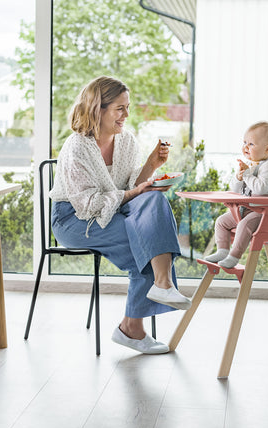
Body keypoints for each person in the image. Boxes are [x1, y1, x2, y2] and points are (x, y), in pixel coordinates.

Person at [49, 76, 191, 355]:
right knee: (147, 241)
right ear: (97, 109)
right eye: (120, 109)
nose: (127, 115)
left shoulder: (126, 141)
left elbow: (130, 189)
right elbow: (87, 204)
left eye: (128, 107)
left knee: (154, 199)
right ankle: (132, 328)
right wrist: (135, 192)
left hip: (113, 207)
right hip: (73, 218)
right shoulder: (76, 147)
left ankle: (162, 286)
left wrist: (152, 164)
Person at [204, 121, 268, 268]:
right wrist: (239, 177)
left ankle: (234, 256)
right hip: (245, 210)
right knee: (221, 221)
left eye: (251, 144)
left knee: (244, 225)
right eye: (245, 142)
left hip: (263, 212)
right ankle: (222, 250)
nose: (245, 147)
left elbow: (261, 189)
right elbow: (235, 190)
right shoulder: (250, 165)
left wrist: (246, 175)